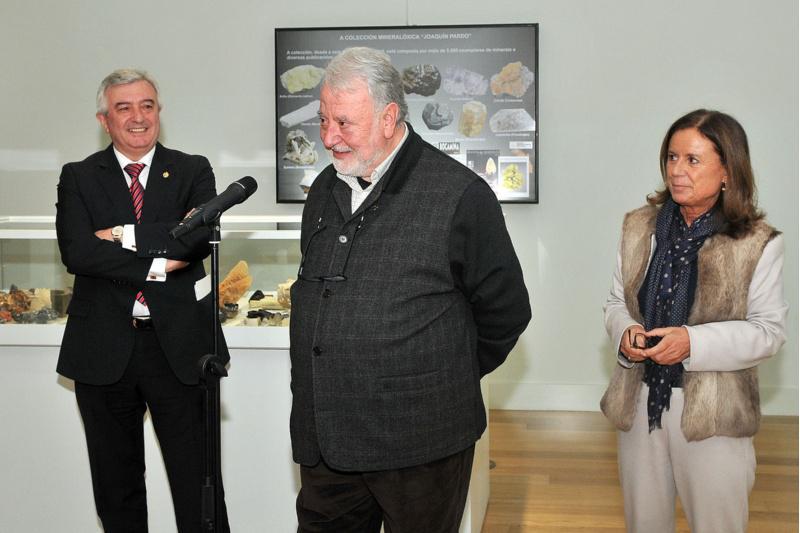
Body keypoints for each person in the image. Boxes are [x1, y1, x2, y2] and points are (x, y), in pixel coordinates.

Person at [289, 47, 532, 532]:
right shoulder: (323, 189)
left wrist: (437, 372)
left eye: (344, 123)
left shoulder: (460, 195)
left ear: (388, 118)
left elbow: (505, 312)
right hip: (329, 440)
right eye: (322, 121)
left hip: (420, 442)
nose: (329, 138)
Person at [55, 68, 230, 532]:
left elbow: (192, 241)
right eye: (124, 107)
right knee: (117, 490)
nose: (137, 117)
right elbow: (78, 252)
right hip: (103, 350)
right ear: (104, 119)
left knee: (200, 488)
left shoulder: (193, 169)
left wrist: (116, 234)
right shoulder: (78, 177)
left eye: (147, 106)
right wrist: (156, 262)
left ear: (159, 113)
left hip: (180, 349)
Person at [600, 109, 787, 533]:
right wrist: (624, 330)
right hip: (638, 400)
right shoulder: (637, 227)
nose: (677, 171)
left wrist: (692, 342)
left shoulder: (757, 241)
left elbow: (768, 332)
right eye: (672, 157)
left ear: (728, 170)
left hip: (715, 414)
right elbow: (616, 302)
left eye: (693, 160)